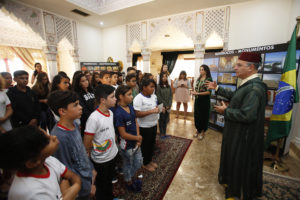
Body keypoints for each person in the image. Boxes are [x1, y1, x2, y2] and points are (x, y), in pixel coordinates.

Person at [205, 52, 267, 200]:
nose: (235, 67)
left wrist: (226, 111)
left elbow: (247, 115)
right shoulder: (248, 84)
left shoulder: (254, 89)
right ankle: (231, 185)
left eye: (239, 65)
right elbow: (236, 97)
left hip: (244, 138)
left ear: (251, 67)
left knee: (240, 164)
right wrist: (217, 88)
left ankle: (236, 193)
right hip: (238, 133)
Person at [0, 126, 81, 200]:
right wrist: (75, 187)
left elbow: (74, 177)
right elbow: (71, 181)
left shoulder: (48, 161)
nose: (54, 137)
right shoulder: (32, 193)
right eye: (47, 141)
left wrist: (70, 186)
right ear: (32, 162)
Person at [48, 90, 94, 200]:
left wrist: (91, 169)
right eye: (75, 105)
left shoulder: (74, 124)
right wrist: (86, 187)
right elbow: (66, 171)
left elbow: (80, 152)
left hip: (87, 178)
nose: (80, 107)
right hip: (80, 188)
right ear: (62, 111)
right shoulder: (60, 137)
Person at [83, 85, 119, 200]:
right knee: (101, 185)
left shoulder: (111, 113)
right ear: (103, 100)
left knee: (108, 181)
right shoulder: (94, 119)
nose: (115, 99)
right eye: (112, 97)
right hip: (101, 159)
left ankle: (110, 197)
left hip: (112, 154)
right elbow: (87, 143)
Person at [114, 85, 143, 192]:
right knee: (128, 163)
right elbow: (123, 134)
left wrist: (138, 138)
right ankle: (128, 181)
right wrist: (137, 138)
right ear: (121, 96)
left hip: (135, 142)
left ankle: (132, 176)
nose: (132, 97)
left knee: (138, 162)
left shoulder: (130, 107)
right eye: (129, 95)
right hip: (127, 145)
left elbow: (135, 122)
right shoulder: (118, 113)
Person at [133, 78, 160, 172]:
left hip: (153, 124)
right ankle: (144, 163)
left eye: (154, 87)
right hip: (144, 126)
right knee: (145, 146)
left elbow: (155, 106)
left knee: (152, 144)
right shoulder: (138, 98)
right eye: (151, 87)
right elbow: (137, 114)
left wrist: (159, 109)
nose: (153, 89)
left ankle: (149, 160)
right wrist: (151, 111)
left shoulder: (153, 96)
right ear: (144, 87)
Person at [191, 65, 212, 140]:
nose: (201, 71)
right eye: (200, 69)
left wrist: (198, 93)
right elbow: (197, 89)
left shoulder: (209, 79)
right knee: (197, 115)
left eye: (202, 69)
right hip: (197, 100)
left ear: (206, 70)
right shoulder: (199, 78)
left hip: (205, 101)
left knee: (204, 116)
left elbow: (208, 92)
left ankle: (203, 131)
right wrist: (194, 92)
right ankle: (198, 129)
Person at [156, 72, 172, 139]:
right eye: (163, 77)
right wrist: (165, 105)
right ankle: (161, 133)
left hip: (168, 106)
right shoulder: (158, 86)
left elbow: (171, 96)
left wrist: (169, 104)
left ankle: (164, 133)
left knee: (166, 120)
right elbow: (158, 96)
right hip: (161, 105)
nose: (164, 78)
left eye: (165, 76)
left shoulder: (169, 86)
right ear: (160, 78)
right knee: (161, 120)